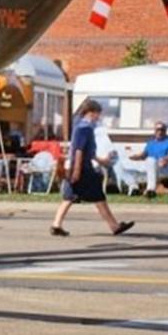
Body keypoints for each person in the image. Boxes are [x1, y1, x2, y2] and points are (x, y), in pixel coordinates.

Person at [51, 98, 134, 237]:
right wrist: (77, 170)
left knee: (70, 197)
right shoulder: (85, 128)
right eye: (97, 114)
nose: (98, 117)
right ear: (90, 112)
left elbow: (90, 152)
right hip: (83, 169)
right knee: (98, 197)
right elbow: (79, 150)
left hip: (81, 166)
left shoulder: (81, 127)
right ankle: (114, 226)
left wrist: (103, 160)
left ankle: (56, 225)